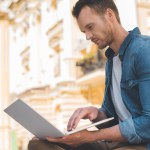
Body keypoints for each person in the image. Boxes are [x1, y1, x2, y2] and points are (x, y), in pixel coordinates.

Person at [28, 0, 150, 149]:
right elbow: (113, 121)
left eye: (90, 27)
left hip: (143, 143)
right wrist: (96, 114)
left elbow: (148, 123)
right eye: (84, 31)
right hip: (119, 142)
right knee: (39, 143)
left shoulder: (143, 50)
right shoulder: (111, 62)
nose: (88, 36)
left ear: (109, 15)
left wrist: (92, 136)